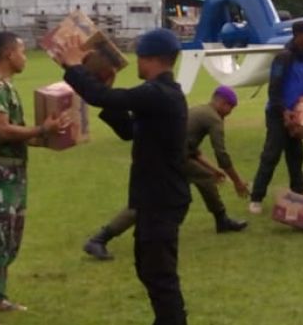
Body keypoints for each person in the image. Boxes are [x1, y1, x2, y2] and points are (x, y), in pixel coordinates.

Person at [59, 28, 195, 325]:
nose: (135, 61)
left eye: (139, 56)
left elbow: (102, 95)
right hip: (161, 197)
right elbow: (130, 130)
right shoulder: (163, 95)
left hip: (160, 200)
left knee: (158, 275)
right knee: (155, 272)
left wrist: (74, 67)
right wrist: (109, 95)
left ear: (150, 59)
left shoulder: (158, 93)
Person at [0, 31, 65, 325]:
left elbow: (20, 135)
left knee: (10, 239)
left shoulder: (8, 87)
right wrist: (40, 128)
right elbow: (3, 131)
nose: (25, 56)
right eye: (22, 51)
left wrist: (49, 134)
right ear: (9, 54)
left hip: (14, 173)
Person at [83, 85, 251, 259]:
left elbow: (192, 149)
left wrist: (212, 170)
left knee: (205, 178)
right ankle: (99, 239)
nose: (230, 113)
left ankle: (221, 219)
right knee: (147, 202)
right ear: (223, 103)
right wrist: (237, 182)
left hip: (164, 155)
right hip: (170, 160)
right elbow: (222, 154)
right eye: (231, 108)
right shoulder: (214, 119)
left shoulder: (199, 110)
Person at [249, 20, 303, 214]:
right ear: (299, 35)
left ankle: (300, 196)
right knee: (271, 155)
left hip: (296, 115)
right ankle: (256, 198)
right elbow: (274, 89)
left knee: (296, 155)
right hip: (278, 115)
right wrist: (284, 112)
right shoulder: (283, 58)